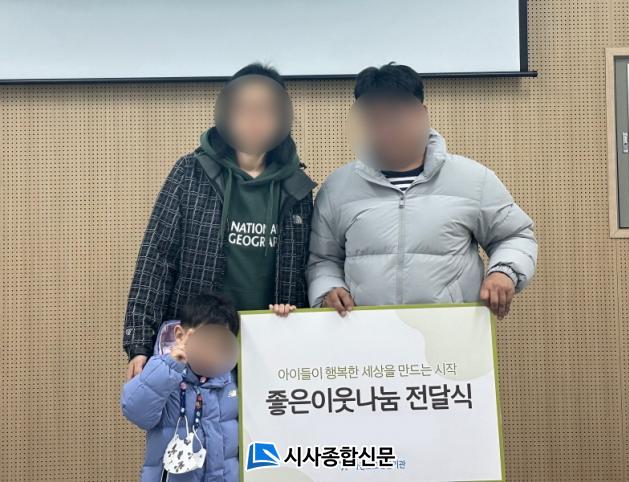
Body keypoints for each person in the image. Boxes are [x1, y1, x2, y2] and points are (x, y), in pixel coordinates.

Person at [123, 63, 316, 380]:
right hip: (197, 347)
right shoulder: (191, 172)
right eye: (243, 109)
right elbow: (156, 258)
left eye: (265, 110)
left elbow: (307, 272)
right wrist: (139, 344)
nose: (253, 120)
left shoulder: (297, 187)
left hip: (269, 349)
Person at [307, 63, 537, 320]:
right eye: (374, 119)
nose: (385, 129)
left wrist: (504, 272)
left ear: (422, 114)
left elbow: (515, 236)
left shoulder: (473, 179)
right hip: (368, 333)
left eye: (395, 117)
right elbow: (322, 259)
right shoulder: (337, 188)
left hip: (451, 331)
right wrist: (328, 290)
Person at [121, 292, 240, 482]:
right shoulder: (164, 373)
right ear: (179, 335)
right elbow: (136, 412)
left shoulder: (232, 381)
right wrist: (170, 366)